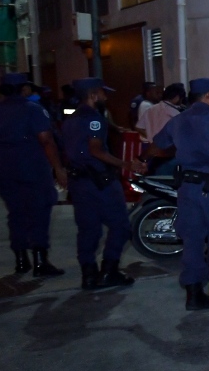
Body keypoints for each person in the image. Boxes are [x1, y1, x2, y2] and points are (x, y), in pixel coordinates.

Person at [148, 77, 209, 311]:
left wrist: (141, 161)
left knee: (192, 239)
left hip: (187, 188)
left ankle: (194, 292)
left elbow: (157, 145)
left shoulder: (178, 120)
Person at [60, 77, 145, 290]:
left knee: (88, 229)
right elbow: (96, 150)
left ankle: (88, 275)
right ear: (93, 95)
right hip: (99, 181)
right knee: (121, 226)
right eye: (103, 93)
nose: (106, 97)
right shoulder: (94, 119)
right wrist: (126, 164)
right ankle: (109, 271)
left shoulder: (70, 119)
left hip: (78, 181)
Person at [0, 72, 66, 277]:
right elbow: (46, 140)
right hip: (32, 168)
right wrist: (58, 168)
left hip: (3, 170)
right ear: (23, 89)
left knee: (16, 213)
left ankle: (21, 260)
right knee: (39, 212)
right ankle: (40, 261)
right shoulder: (33, 109)